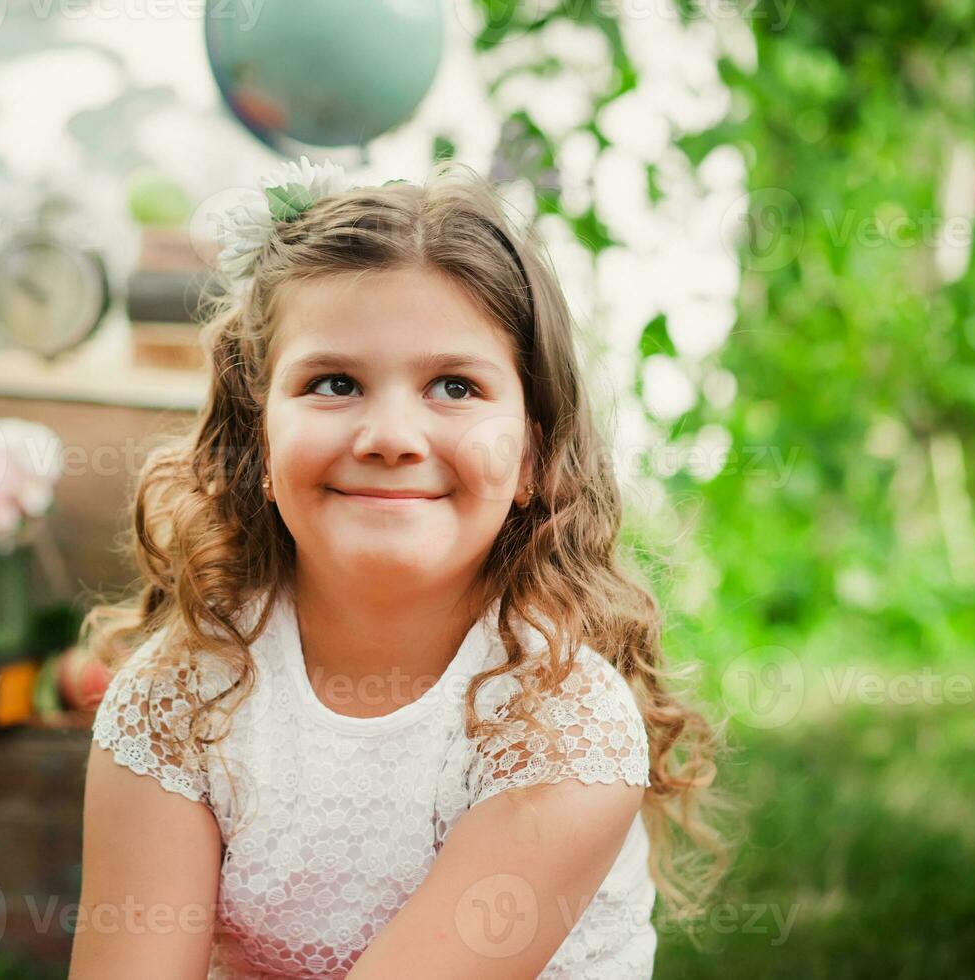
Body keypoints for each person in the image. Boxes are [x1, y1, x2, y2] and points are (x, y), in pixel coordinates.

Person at [70, 157, 730, 979]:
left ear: (531, 454)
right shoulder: (180, 697)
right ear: (259, 444)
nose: (391, 435)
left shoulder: (561, 727)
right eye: (334, 382)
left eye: (454, 385)